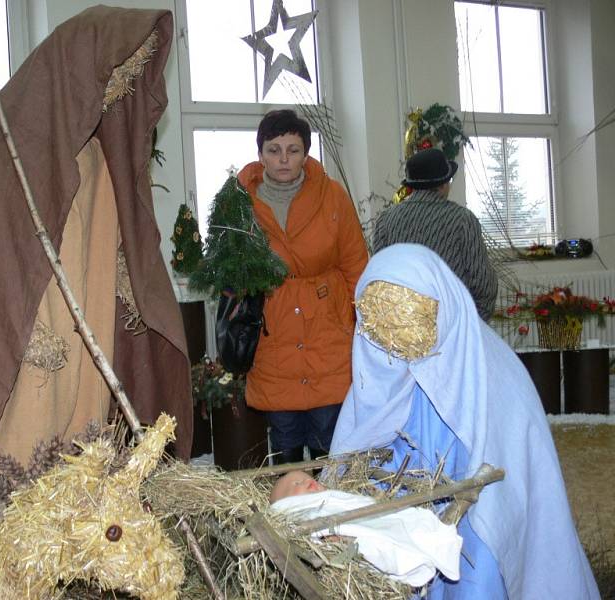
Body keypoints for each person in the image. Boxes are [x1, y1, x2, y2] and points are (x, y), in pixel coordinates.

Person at [0, 8, 192, 523]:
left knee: (72, 522)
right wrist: (25, 336)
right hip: (6, 390)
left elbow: (124, 269)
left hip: (86, 377)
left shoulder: (101, 174)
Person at [329, 243, 599, 599]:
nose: (395, 345)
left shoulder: (495, 378)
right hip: (410, 514)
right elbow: (367, 435)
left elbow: (504, 493)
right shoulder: (382, 356)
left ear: (441, 308)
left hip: (477, 509)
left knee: (477, 566)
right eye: (382, 329)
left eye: (411, 322)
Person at [236, 109, 368, 464]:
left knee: (332, 442)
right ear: (260, 153)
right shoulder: (239, 203)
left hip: (328, 331)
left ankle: (336, 516)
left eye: (293, 150)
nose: (283, 159)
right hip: (273, 334)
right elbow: (229, 273)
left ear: (306, 153)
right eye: (274, 149)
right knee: (285, 444)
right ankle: (291, 517)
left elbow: (357, 266)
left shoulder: (334, 196)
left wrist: (365, 328)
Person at [269, 470, 463, 587]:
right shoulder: (301, 512)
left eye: (305, 478)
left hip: (367, 519)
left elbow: (353, 504)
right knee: (374, 542)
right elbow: (315, 525)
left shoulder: (329, 497)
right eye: (295, 484)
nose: (305, 481)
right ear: (287, 504)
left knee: (403, 522)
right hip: (349, 535)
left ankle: (409, 538)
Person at [373, 148, 498, 321]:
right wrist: (474, 325)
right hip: (453, 325)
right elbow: (483, 284)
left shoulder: (385, 220)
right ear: (443, 184)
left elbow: (377, 280)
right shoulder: (463, 220)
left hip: (403, 329)